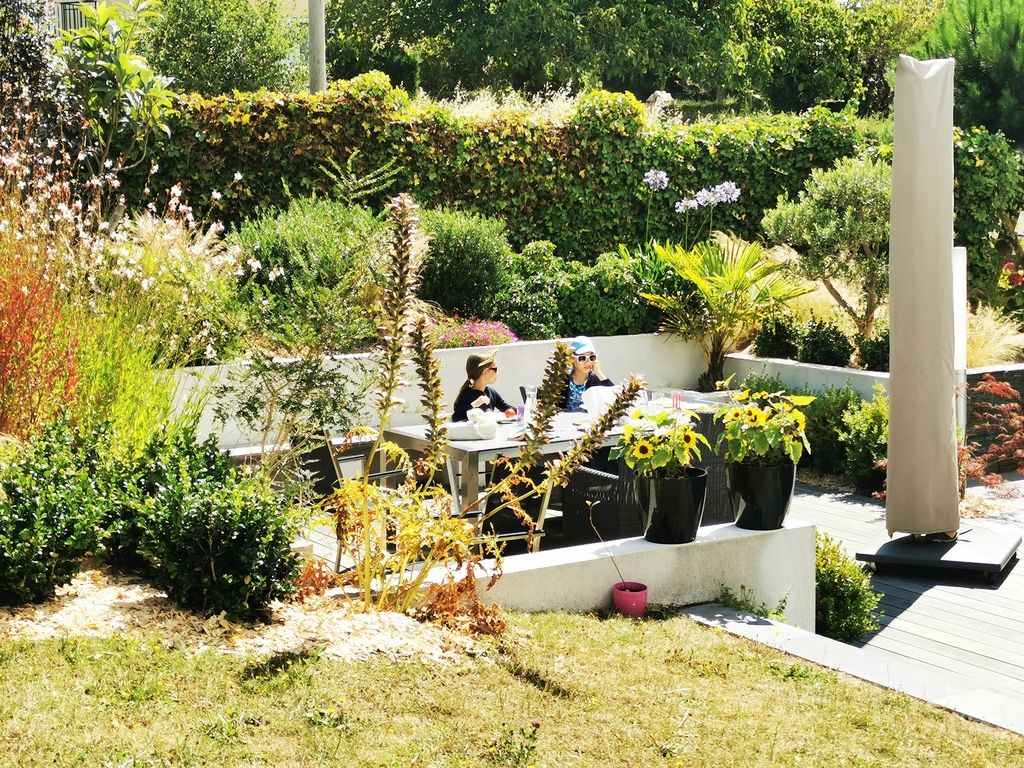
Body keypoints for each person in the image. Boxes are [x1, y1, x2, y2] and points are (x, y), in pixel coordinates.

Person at [452, 351, 516, 422]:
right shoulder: (466, 395)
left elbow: (507, 408)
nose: (497, 372)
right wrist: (475, 404)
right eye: (495, 369)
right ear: (485, 372)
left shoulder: (491, 392)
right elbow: (456, 417)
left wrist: (524, 410)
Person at [561, 335, 614, 412]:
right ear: (572, 358)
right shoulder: (562, 379)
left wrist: (599, 373)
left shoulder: (595, 379)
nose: (588, 362)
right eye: (582, 358)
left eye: (592, 357)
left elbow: (615, 399)